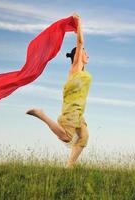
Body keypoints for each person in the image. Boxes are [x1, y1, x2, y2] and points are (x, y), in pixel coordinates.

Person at [26, 12, 92, 169]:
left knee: (84, 137)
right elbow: (80, 42)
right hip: (71, 111)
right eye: (84, 52)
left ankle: (69, 166)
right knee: (67, 137)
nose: (87, 55)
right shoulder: (75, 68)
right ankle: (40, 114)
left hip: (78, 112)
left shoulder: (81, 71)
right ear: (78, 55)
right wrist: (79, 23)